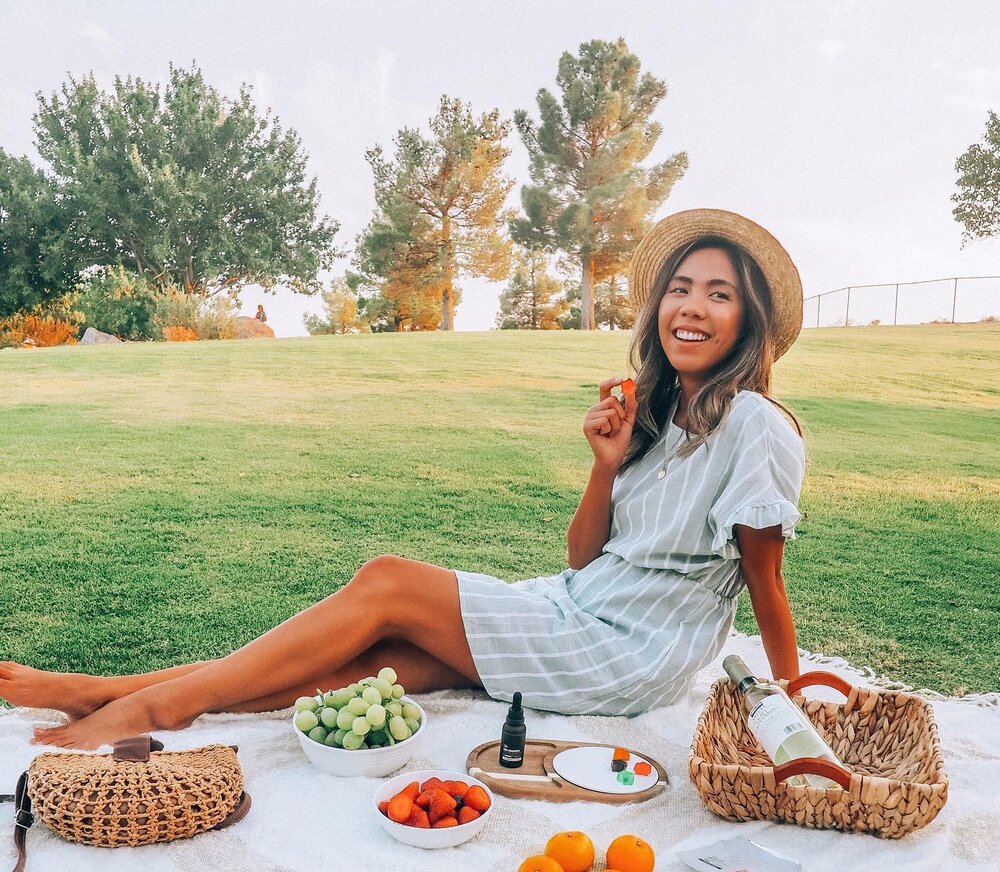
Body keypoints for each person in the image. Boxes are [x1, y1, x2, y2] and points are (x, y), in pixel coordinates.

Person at [0, 208, 806, 750]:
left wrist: (793, 701)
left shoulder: (755, 426)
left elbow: (765, 583)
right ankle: (108, 690)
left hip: (629, 653)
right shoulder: (656, 417)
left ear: (748, 319)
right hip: (579, 603)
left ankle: (154, 705)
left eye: (718, 294)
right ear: (658, 309)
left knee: (386, 582)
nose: (690, 307)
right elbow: (585, 558)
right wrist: (605, 466)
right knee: (369, 662)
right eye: (679, 289)